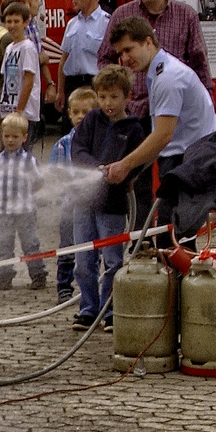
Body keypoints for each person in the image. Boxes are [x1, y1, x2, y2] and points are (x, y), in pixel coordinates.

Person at [101, 16, 216, 216]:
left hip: (189, 159)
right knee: (173, 232)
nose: (124, 58)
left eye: (129, 49)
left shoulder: (167, 78)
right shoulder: (160, 72)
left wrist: (125, 166)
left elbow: (163, 136)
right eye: (120, 52)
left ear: (148, 42)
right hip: (187, 156)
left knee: (171, 233)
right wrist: (133, 170)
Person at [70, 65, 148, 327]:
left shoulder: (134, 129)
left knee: (113, 260)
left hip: (113, 206)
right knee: (83, 261)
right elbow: (78, 149)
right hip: (83, 203)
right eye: (102, 97)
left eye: (114, 97)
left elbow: (137, 163)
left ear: (127, 97)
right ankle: (88, 309)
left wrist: (122, 173)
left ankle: (110, 310)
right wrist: (94, 167)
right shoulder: (91, 120)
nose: (107, 103)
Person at [98, 0, 212, 118]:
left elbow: (200, 63)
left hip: (174, 108)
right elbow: (104, 59)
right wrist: (119, 92)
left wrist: (206, 102)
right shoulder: (121, 15)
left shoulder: (186, 15)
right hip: (133, 110)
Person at [0, 113, 45, 291]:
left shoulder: (29, 161)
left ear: (24, 137)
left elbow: (39, 180)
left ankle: (38, 275)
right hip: (3, 212)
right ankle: (5, 275)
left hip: (25, 211)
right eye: (6, 136)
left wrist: (29, 195)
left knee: (30, 244)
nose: (10, 140)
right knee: (4, 245)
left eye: (15, 136)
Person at [52, 86, 97, 302]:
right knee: (67, 247)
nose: (80, 117)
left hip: (92, 206)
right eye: (76, 112)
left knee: (91, 247)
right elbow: (56, 173)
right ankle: (64, 285)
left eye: (86, 112)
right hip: (69, 206)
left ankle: (91, 286)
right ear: (69, 113)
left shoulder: (97, 143)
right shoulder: (62, 144)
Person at [56, 0, 108, 106]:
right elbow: (63, 60)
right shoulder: (72, 24)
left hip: (95, 85)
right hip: (72, 85)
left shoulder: (107, 23)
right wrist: (60, 91)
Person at [0, 1, 40, 138]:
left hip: (23, 112)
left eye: (16, 21)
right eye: (8, 21)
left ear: (26, 22)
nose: (12, 25)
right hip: (8, 109)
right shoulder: (10, 48)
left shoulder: (27, 47)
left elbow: (28, 80)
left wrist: (19, 109)